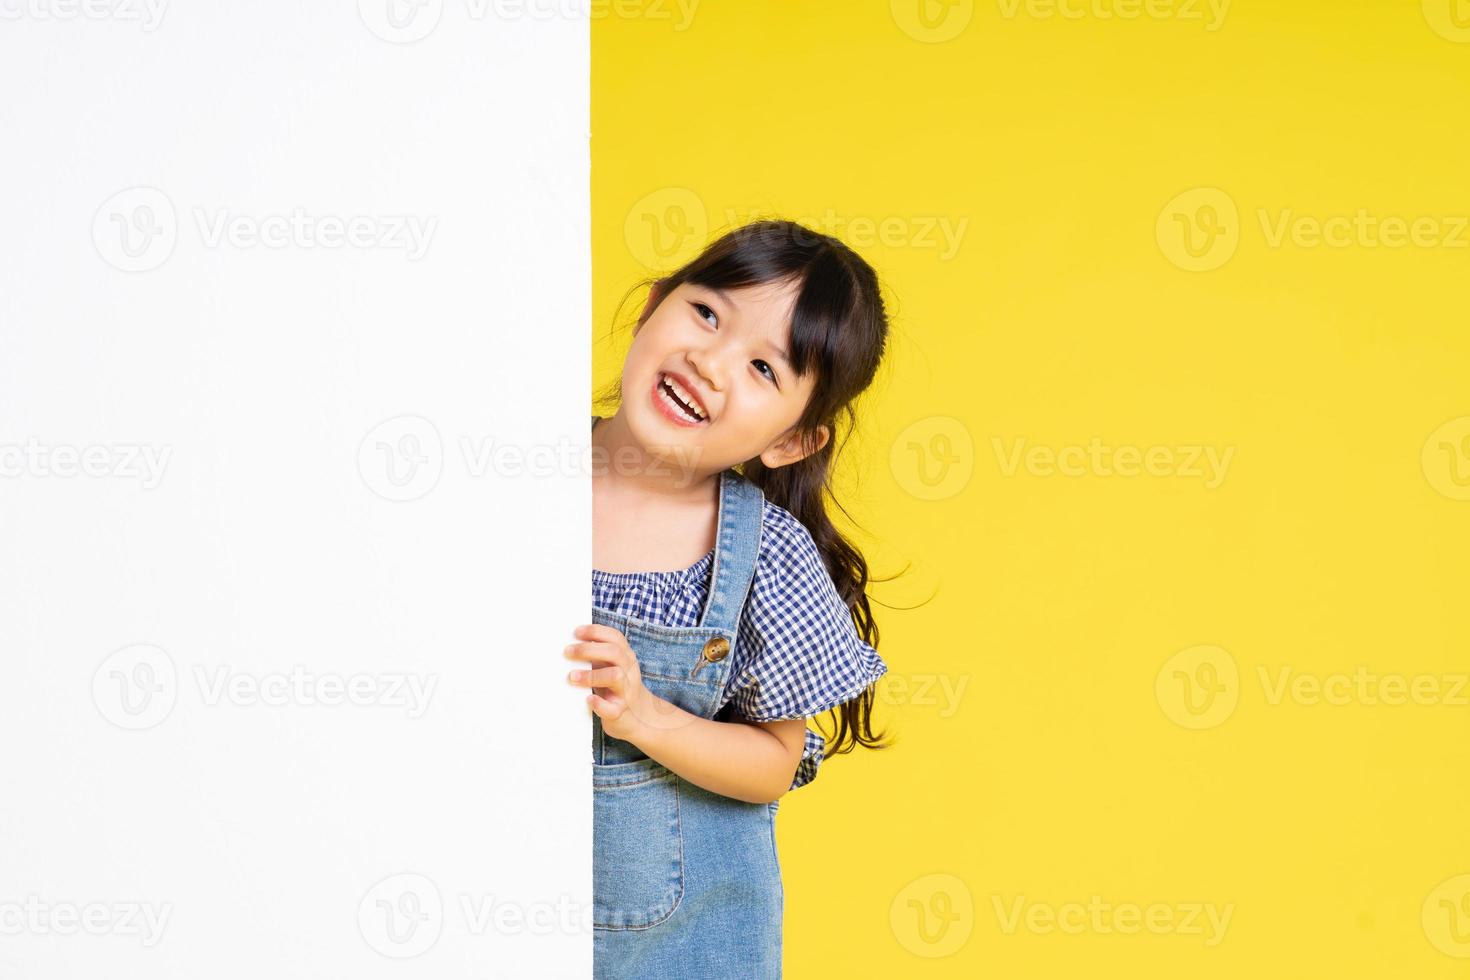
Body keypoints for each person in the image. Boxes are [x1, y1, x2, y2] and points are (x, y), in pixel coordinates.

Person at [564, 219, 895, 979]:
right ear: (652, 307)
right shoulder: (510, 465)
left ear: (791, 442)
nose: (709, 362)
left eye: (763, 369)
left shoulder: (765, 559)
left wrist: (647, 716)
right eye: (707, 313)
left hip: (674, 951)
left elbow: (775, 762)